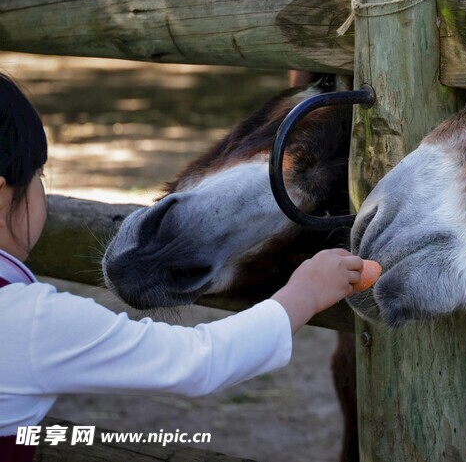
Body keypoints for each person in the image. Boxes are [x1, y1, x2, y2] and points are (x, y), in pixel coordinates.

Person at [0, 73, 368, 461]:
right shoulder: (30, 322)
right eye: (39, 176)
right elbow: (198, 362)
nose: (41, 186)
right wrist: (304, 295)